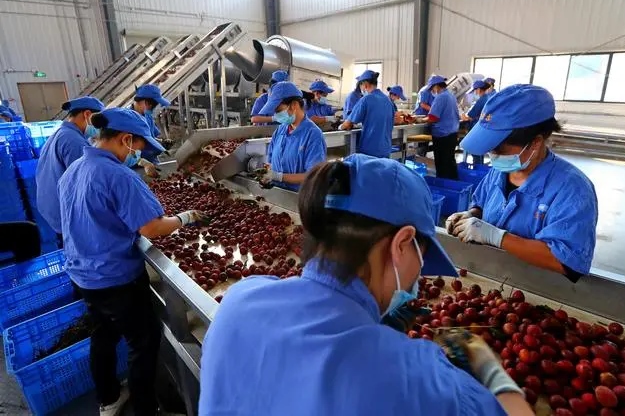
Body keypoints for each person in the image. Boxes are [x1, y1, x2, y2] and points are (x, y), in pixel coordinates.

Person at [198, 154, 532, 416]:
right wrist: (487, 366)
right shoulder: (415, 377)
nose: (419, 276)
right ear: (402, 244)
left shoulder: (239, 302)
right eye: (422, 258)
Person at [58, 107, 208, 416]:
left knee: (102, 334)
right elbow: (151, 228)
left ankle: (108, 399)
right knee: (143, 342)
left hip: (83, 274)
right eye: (138, 146)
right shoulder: (118, 175)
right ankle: (146, 409)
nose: (137, 154)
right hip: (115, 279)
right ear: (126, 139)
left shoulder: (74, 168)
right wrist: (184, 217)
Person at [447, 84, 598, 283]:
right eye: (490, 149)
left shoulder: (573, 190)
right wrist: (471, 215)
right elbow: (482, 204)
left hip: (538, 288)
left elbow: (567, 261)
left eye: (500, 150)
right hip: (491, 276)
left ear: (535, 142)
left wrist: (497, 237)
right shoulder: (498, 172)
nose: (493, 156)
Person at [36, 96, 105, 239]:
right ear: (87, 114)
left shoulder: (60, 133)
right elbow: (86, 184)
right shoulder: (74, 141)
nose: (100, 128)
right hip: (64, 213)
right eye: (98, 122)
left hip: (50, 208)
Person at [257, 81, 327, 191]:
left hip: (298, 197)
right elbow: (270, 163)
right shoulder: (280, 131)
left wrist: (279, 177)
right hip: (278, 195)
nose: (276, 115)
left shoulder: (313, 135)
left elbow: (314, 176)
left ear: (294, 105)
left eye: (278, 110)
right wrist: (268, 177)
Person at [339, 70, 395, 158]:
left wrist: (340, 127)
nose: (361, 89)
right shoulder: (388, 101)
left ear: (365, 85)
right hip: (385, 150)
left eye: (361, 86)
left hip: (370, 151)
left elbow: (348, 123)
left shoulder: (366, 99)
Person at [425, 75, 460, 180]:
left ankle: (442, 184)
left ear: (436, 86)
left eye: (432, 88)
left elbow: (433, 117)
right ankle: (454, 184)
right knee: (450, 161)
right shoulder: (451, 95)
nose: (432, 91)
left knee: (442, 164)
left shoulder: (440, 97)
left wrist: (422, 120)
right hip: (452, 133)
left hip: (442, 135)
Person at [131, 84, 171, 177]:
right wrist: (142, 162)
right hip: (136, 169)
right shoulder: (126, 120)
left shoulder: (147, 116)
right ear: (145, 102)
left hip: (153, 163)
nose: (154, 108)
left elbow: (151, 137)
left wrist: (162, 142)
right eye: (154, 105)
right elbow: (124, 149)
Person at [461, 79, 493, 165]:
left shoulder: (481, 100)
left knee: (475, 151)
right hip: (484, 128)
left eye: (474, 90)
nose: (474, 92)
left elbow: (469, 117)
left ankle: (477, 167)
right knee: (479, 152)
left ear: (478, 89)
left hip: (477, 128)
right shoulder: (487, 97)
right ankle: (480, 167)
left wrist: (461, 113)